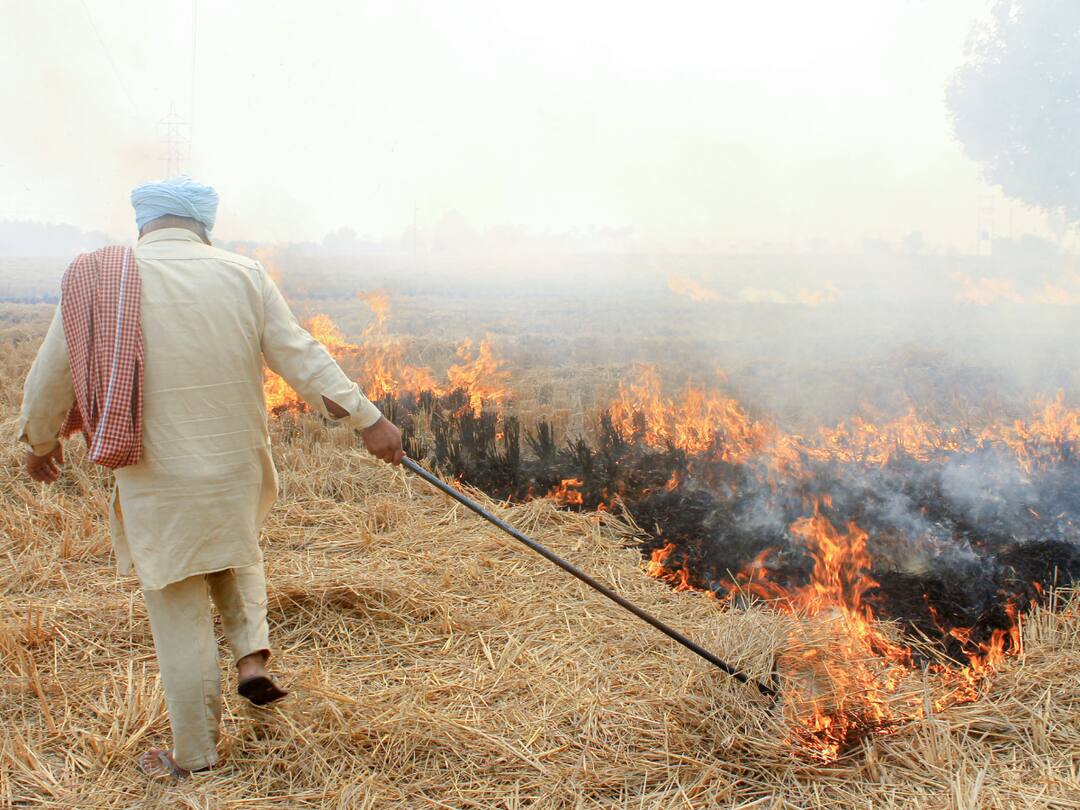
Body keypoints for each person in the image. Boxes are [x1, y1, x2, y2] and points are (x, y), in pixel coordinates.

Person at [18, 176, 403, 779]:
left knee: (179, 609)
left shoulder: (99, 284)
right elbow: (300, 354)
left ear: (143, 222)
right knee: (234, 549)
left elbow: (47, 382)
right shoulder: (242, 274)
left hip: (157, 475)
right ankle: (252, 659)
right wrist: (369, 418)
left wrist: (40, 444)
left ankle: (192, 756)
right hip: (234, 468)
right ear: (204, 224)